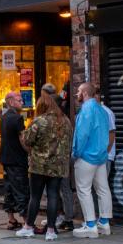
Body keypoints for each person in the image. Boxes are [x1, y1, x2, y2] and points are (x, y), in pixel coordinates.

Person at [16, 93, 72, 240]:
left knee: (35, 196)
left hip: (39, 166)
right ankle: (51, 231)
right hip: (58, 166)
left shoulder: (39, 121)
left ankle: (28, 227)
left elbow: (27, 140)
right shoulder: (66, 121)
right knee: (53, 196)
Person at [72, 82, 112, 238]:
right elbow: (106, 134)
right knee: (103, 189)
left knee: (84, 190)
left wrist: (76, 153)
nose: (76, 94)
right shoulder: (102, 110)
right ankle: (104, 223)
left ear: (85, 93)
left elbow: (81, 135)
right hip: (101, 157)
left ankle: (90, 225)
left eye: (78, 92)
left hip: (87, 156)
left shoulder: (86, 110)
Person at [41, 82, 76, 231]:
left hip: (53, 161)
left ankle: (56, 218)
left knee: (52, 191)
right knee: (65, 189)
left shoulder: (48, 120)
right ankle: (68, 219)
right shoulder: (67, 120)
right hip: (65, 159)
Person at [0, 91, 29, 230]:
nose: (22, 102)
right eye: (19, 100)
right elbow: (23, 140)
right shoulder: (17, 119)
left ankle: (11, 220)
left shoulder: (4, 117)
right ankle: (27, 222)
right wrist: (30, 151)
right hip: (17, 159)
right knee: (21, 190)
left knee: (9, 189)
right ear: (10, 102)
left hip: (6, 159)